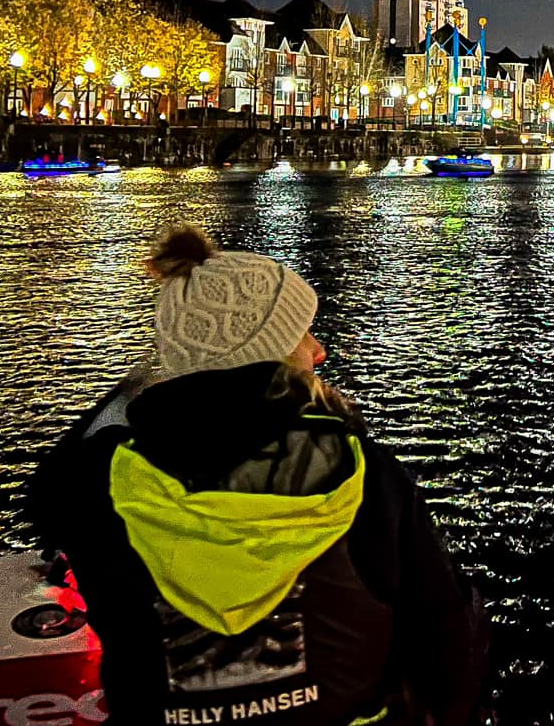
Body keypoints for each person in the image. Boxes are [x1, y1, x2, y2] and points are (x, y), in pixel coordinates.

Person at [29, 225, 488, 726]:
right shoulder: (361, 471)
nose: (318, 350)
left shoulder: (99, 478)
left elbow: (44, 504)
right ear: (267, 353)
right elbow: (444, 632)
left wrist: (154, 376)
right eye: (300, 334)